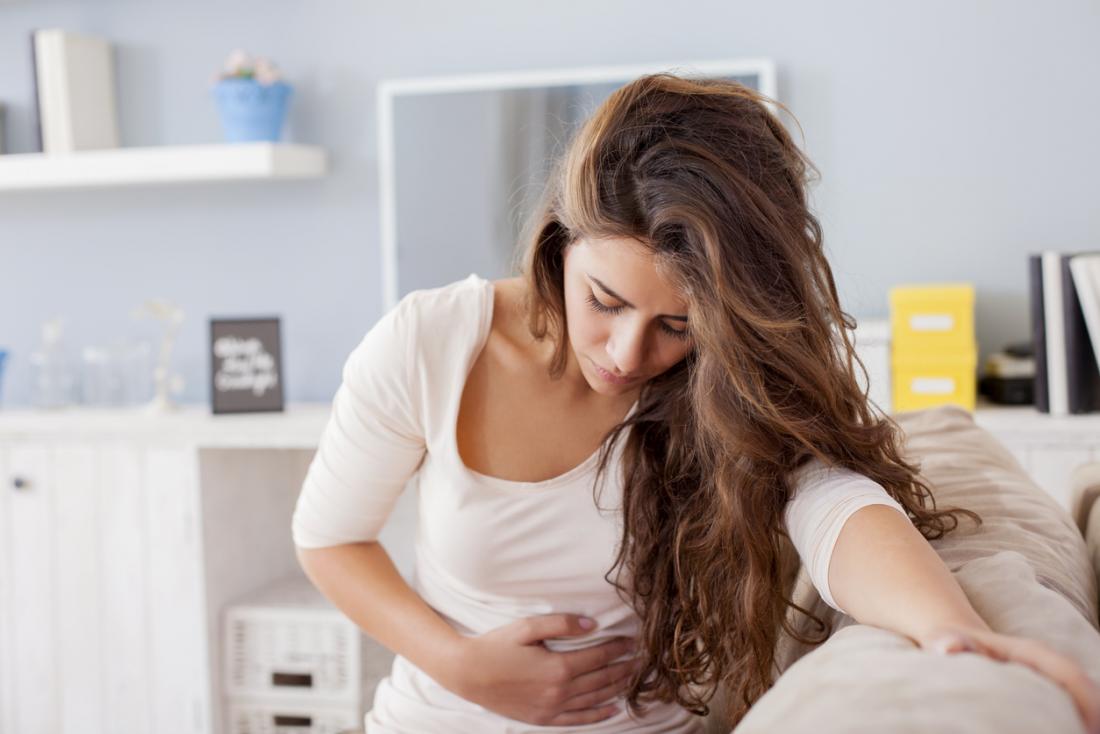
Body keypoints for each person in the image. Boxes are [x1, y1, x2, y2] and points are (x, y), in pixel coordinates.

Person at [292, 73, 1100, 733]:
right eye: (603, 300)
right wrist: (462, 664)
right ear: (559, 245)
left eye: (677, 325)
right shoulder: (432, 345)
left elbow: (835, 507)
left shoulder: (728, 387)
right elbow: (329, 539)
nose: (627, 355)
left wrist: (950, 630)